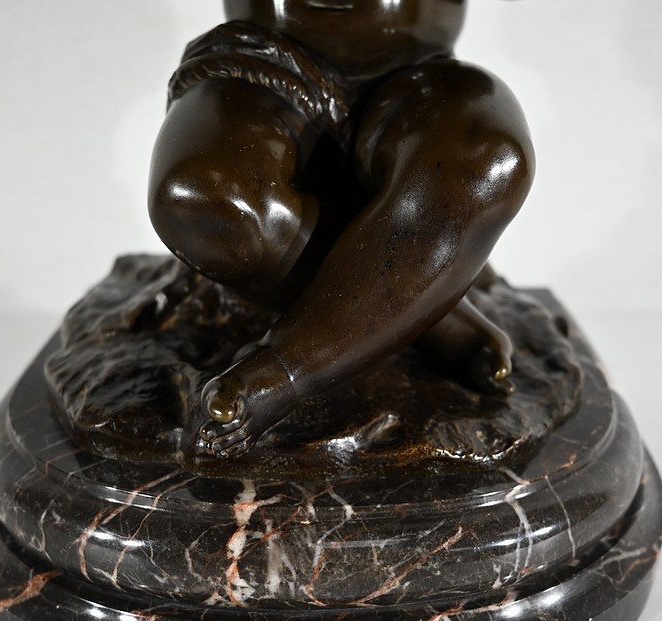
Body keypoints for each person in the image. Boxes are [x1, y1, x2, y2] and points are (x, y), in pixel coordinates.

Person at [148, 0, 534, 458]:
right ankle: (432, 313)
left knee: (484, 159)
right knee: (207, 199)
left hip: (419, 76)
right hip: (262, 64)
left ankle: (281, 372)